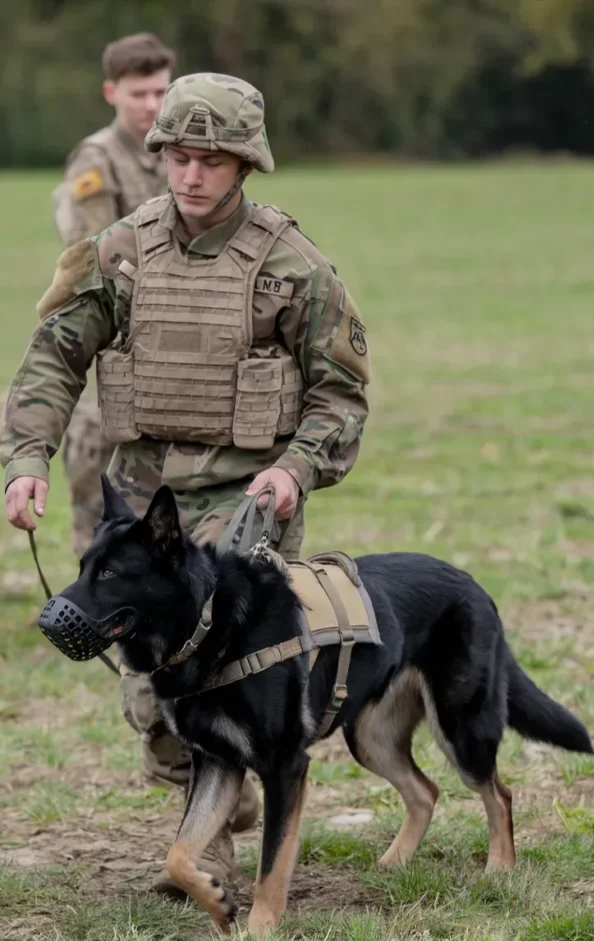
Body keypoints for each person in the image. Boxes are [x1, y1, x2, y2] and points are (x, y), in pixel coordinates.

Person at [2, 73, 370, 896]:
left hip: (246, 505)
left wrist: (294, 469)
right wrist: (27, 459)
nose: (192, 175)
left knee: (233, 673)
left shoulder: (293, 265)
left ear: (246, 165)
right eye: (178, 156)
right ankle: (217, 806)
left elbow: (339, 396)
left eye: (212, 159)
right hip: (140, 501)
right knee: (152, 697)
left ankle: (216, 838)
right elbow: (52, 359)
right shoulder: (121, 251)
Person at [53, 33, 175, 556]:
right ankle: (86, 609)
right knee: (96, 482)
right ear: (111, 92)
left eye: (159, 92)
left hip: (168, 344)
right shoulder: (95, 162)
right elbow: (96, 259)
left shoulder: (174, 153)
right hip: (111, 340)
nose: (151, 105)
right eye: (138, 94)